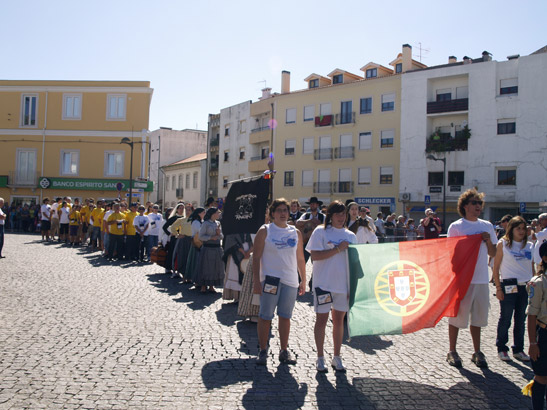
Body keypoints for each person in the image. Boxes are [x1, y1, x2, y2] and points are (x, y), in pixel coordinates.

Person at [446, 189, 497, 368]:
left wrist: (488, 241)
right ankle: (452, 350)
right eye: (474, 203)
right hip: (463, 279)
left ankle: (477, 351)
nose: (478, 206)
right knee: (457, 316)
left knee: (478, 318)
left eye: (480, 203)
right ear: (465, 206)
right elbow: (451, 253)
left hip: (481, 279)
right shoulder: (456, 227)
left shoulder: (487, 226)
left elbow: (493, 253)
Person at [252, 198, 306, 366]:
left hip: (290, 281)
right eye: (279, 210)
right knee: (265, 316)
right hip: (270, 280)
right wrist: (256, 281)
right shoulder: (265, 231)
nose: (283, 213)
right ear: (272, 213)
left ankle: (284, 350)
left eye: (285, 210)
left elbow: (300, 258)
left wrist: (303, 280)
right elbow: (256, 258)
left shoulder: (295, 232)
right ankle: (262, 350)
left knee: (285, 316)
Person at [307, 200, 356, 372]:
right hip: (323, 285)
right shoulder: (320, 231)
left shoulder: (351, 236)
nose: (341, 218)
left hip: (342, 286)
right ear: (331, 216)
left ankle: (337, 357)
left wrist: (353, 287)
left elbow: (355, 264)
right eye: (338, 214)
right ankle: (320, 358)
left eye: (343, 214)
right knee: (321, 320)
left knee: (339, 321)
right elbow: (315, 256)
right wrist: (337, 249)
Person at [492, 216, 534, 362]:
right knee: (506, 318)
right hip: (509, 285)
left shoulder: (529, 245)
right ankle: (502, 348)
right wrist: (498, 288)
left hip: (525, 286)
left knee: (521, 319)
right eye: (518, 228)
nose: (521, 231)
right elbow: (496, 267)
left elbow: (532, 267)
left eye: (523, 228)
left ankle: (518, 349)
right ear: (511, 229)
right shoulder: (503, 244)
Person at [527, 242, 547, 410]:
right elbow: (532, 315)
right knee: (541, 377)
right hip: (544, 335)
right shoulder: (539, 283)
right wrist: (533, 342)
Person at [196, 207, 224, 293]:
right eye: (217, 212)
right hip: (208, 248)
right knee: (206, 267)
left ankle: (212, 285)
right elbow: (200, 236)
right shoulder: (205, 223)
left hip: (217, 248)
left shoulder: (218, 223)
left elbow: (221, 236)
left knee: (215, 267)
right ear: (213, 214)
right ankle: (203, 285)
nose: (219, 214)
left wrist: (219, 234)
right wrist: (211, 237)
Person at [222, 231, 253, 302]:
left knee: (246, 272)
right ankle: (236, 296)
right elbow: (230, 241)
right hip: (235, 252)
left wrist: (249, 251)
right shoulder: (234, 228)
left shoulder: (251, 228)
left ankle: (244, 296)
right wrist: (242, 251)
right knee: (235, 274)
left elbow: (254, 240)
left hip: (248, 250)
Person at [162, 203, 185, 274]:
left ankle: (178, 268)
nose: (181, 210)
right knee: (172, 252)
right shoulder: (173, 218)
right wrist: (169, 234)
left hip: (182, 238)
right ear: (177, 209)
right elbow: (164, 227)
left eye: (182, 208)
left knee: (180, 253)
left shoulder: (185, 218)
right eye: (180, 208)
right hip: (174, 238)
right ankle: (168, 267)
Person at [184, 207, 205, 284]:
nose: (204, 214)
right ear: (199, 214)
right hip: (196, 243)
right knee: (195, 261)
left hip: (200, 243)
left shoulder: (201, 221)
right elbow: (200, 231)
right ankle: (192, 278)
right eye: (203, 213)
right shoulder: (196, 222)